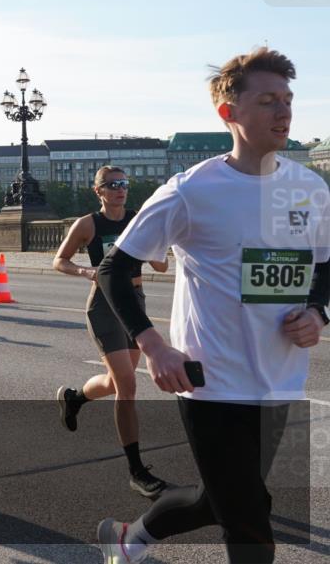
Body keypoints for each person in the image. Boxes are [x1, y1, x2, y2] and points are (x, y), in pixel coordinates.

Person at [95, 48, 330, 564]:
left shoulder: (310, 189)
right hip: (210, 381)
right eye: (267, 100)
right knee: (249, 519)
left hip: (278, 380)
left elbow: (325, 266)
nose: (284, 111)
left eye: (288, 100)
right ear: (229, 113)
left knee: (216, 500)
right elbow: (115, 268)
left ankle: (126, 539)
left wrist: (317, 312)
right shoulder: (191, 190)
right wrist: (154, 347)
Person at [53, 166, 170, 499]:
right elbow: (59, 261)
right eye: (113, 185)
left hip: (135, 301)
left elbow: (161, 265)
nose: (120, 190)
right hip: (103, 305)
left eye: (124, 184)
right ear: (98, 191)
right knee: (128, 385)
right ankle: (136, 470)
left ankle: (74, 398)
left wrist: (160, 242)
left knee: (116, 381)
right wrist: (84, 270)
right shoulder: (88, 224)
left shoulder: (138, 219)